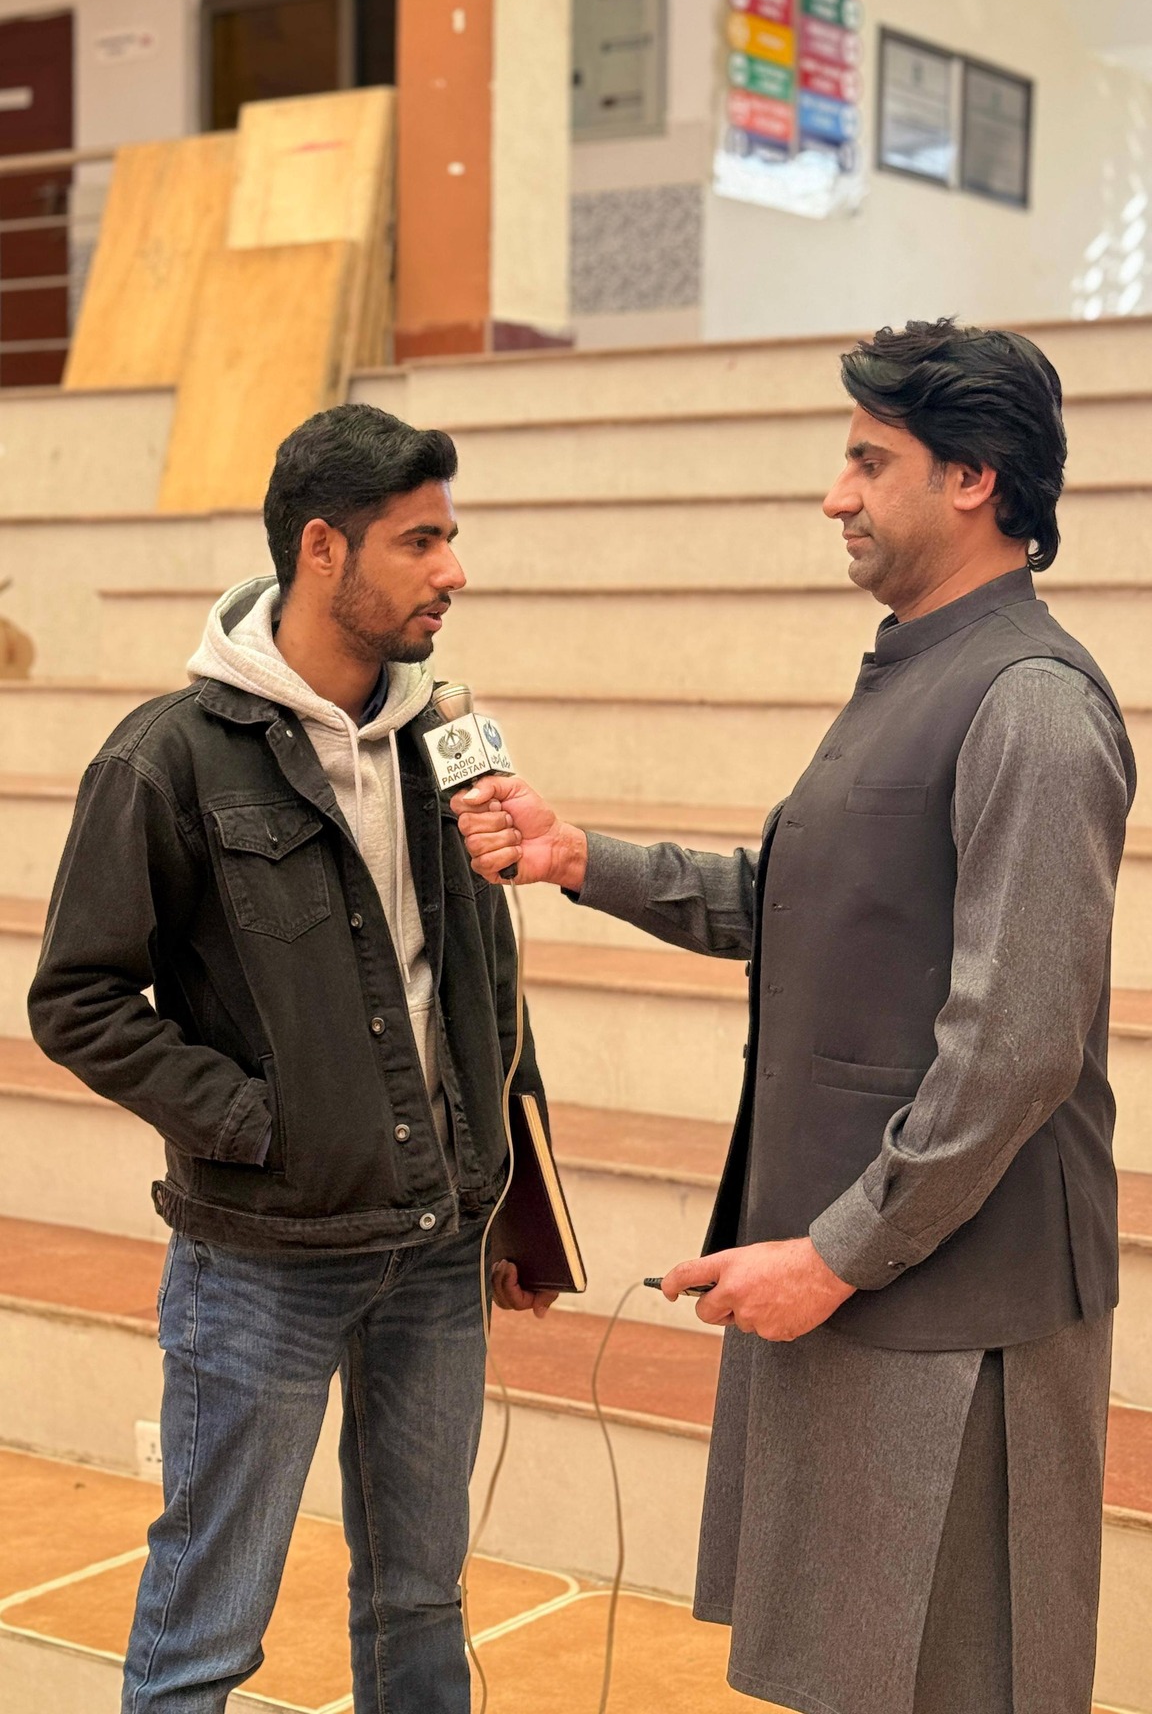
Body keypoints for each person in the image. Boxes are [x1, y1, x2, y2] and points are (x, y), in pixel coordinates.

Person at [453, 319, 1136, 1714]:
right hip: (873, 1276)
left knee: (959, 1683)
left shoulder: (1031, 704)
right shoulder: (921, 668)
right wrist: (579, 858)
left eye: (869, 461)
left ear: (973, 479)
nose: (837, 495)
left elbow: (1015, 1047)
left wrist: (835, 1255)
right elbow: (800, 901)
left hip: (956, 1308)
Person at [29, 404, 554, 1714]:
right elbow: (77, 998)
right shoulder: (166, 758)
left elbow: (483, 975)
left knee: (420, 1602)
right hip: (263, 1260)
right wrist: (260, 1125)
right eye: (420, 541)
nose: (453, 570)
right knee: (208, 1627)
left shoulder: (446, 742)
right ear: (324, 549)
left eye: (450, 537)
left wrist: (516, 1194)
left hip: (438, 1245)